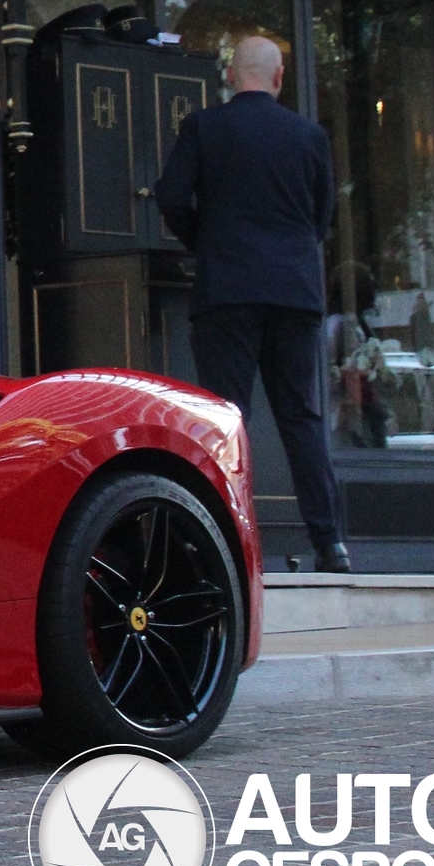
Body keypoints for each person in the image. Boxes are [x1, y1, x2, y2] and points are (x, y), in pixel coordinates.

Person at [153, 34, 350, 572]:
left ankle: (222, 542)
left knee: (223, 419)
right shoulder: (309, 137)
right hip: (294, 292)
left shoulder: (205, 127)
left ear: (230, 75)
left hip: (229, 290)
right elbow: (321, 217)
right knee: (302, 418)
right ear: (279, 77)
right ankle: (330, 543)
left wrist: (206, 240)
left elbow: (171, 196)